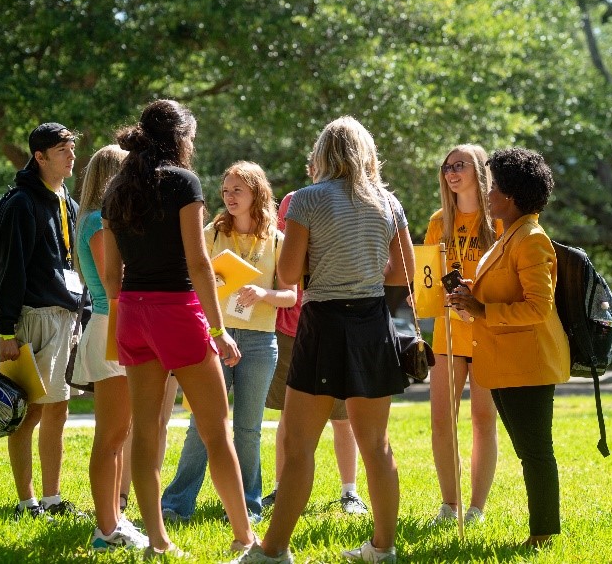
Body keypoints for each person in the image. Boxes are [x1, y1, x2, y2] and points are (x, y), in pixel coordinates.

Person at [233, 116, 413, 564]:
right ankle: (383, 548)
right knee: (377, 446)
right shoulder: (388, 202)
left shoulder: (308, 199)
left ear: (322, 154)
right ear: (366, 152)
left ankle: (272, 550)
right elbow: (402, 271)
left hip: (324, 323)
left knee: (298, 446)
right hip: (373, 322)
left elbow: (290, 274)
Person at [102, 99, 256, 559]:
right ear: (180, 137)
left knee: (145, 432)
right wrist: (218, 328)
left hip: (131, 312)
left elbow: (111, 276)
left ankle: (157, 540)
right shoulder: (183, 182)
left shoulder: (116, 190)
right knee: (217, 430)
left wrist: (133, 310)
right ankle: (246, 537)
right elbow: (198, 262)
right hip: (177, 311)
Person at [448, 147, 570, 549]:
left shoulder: (532, 240)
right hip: (505, 364)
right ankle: (542, 532)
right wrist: (471, 297)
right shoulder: (510, 236)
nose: (488, 193)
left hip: (528, 365)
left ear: (513, 195)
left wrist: (482, 307)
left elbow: (538, 307)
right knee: (529, 451)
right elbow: (502, 293)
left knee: (536, 453)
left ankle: (543, 535)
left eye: (495, 186)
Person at [162, 161, 296, 522]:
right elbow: (189, 277)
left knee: (248, 430)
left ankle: (248, 506)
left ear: (257, 192)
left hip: (259, 343)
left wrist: (263, 292)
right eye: (225, 190)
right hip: (214, 339)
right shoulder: (212, 233)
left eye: (237, 190)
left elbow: (291, 296)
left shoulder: (278, 240)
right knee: (201, 425)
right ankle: (175, 505)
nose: (229, 196)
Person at [262, 159, 368, 517]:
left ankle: (349, 491)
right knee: (288, 418)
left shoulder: (357, 200)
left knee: (343, 416)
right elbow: (281, 256)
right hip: (292, 324)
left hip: (334, 323)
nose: (317, 170)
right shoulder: (295, 201)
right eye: (313, 165)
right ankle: (279, 488)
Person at [0, 122, 85, 520]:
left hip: (66, 316)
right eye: (62, 150)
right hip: (34, 318)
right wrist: (5, 329)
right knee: (27, 412)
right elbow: (9, 269)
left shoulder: (65, 197)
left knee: (59, 409)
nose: (71, 156)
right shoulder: (21, 203)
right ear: (40, 156)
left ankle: (52, 498)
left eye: (72, 149)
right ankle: (26, 501)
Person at [70, 144, 149, 550]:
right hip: (110, 325)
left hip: (114, 325)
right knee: (112, 435)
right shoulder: (100, 222)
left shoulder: (101, 219)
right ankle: (105, 530)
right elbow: (113, 279)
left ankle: (115, 519)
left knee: (121, 432)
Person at [424, 144, 501, 526]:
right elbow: (428, 279)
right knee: (441, 420)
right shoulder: (439, 221)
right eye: (447, 166)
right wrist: (422, 295)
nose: (451, 172)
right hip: (448, 334)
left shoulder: (501, 221)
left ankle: (476, 509)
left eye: (460, 165)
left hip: (488, 330)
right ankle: (449, 504)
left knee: (483, 419)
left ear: (480, 170)